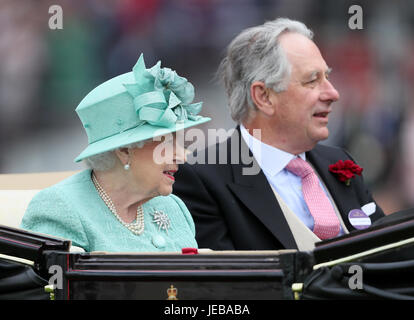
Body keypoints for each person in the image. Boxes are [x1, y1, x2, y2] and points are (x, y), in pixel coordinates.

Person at [173, 18, 385, 251]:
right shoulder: (202, 178)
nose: (333, 93)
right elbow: (228, 284)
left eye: (328, 77)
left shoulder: (339, 162)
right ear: (263, 97)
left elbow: (387, 254)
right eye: (312, 81)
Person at [20, 54, 210, 252]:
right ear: (125, 151)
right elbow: (54, 282)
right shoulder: (59, 209)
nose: (181, 156)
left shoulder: (174, 207)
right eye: (167, 145)